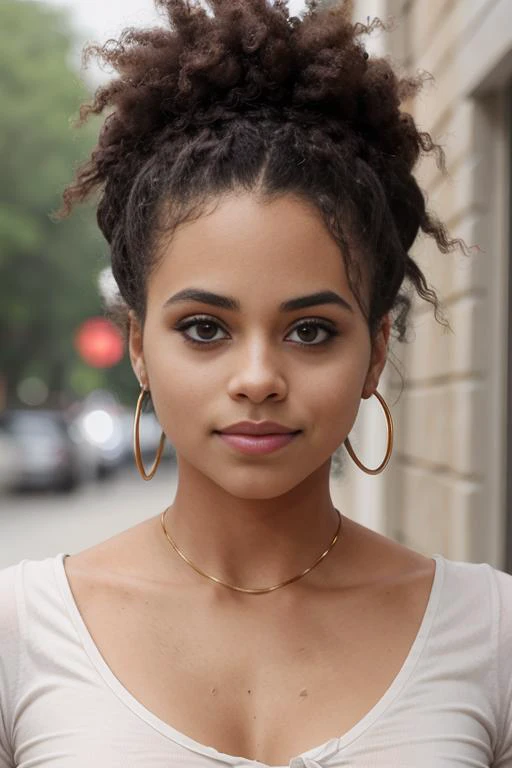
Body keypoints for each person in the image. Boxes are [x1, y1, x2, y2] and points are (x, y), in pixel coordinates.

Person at [0, 0, 510, 765]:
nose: (259, 379)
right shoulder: (21, 632)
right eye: (205, 328)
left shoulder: (492, 631)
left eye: (311, 331)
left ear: (375, 353)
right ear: (139, 346)